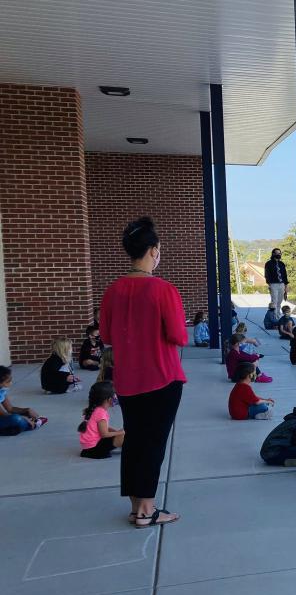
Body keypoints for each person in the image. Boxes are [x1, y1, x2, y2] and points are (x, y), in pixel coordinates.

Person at [100, 216, 188, 528]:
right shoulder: (163, 290)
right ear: (152, 251)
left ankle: (136, 504)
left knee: (135, 440)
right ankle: (147, 511)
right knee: (154, 443)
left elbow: (107, 335)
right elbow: (179, 336)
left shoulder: (113, 291)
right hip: (162, 378)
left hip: (127, 381)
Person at [78, 380, 125, 459]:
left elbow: (102, 428)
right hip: (94, 449)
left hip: (88, 448)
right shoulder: (101, 413)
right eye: (114, 395)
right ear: (108, 399)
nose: (116, 397)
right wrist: (121, 432)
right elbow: (104, 434)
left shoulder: (94, 409)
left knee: (121, 433)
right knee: (123, 436)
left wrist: (118, 432)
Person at [0, 365, 47, 435]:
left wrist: (26, 410)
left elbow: (10, 408)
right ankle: (31, 425)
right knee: (16, 419)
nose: (11, 383)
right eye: (8, 382)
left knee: (21, 416)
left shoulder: (2, 391)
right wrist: (23, 418)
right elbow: (3, 414)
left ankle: (24, 425)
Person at [264, 248, 289, 319]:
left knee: (279, 302)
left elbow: (285, 275)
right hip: (273, 284)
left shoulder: (282, 264)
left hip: (282, 284)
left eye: (280, 253)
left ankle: (278, 316)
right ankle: (274, 317)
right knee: (274, 301)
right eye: (277, 253)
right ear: (273, 254)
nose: (279, 254)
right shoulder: (268, 263)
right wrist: (269, 284)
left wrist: (286, 286)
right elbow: (267, 274)